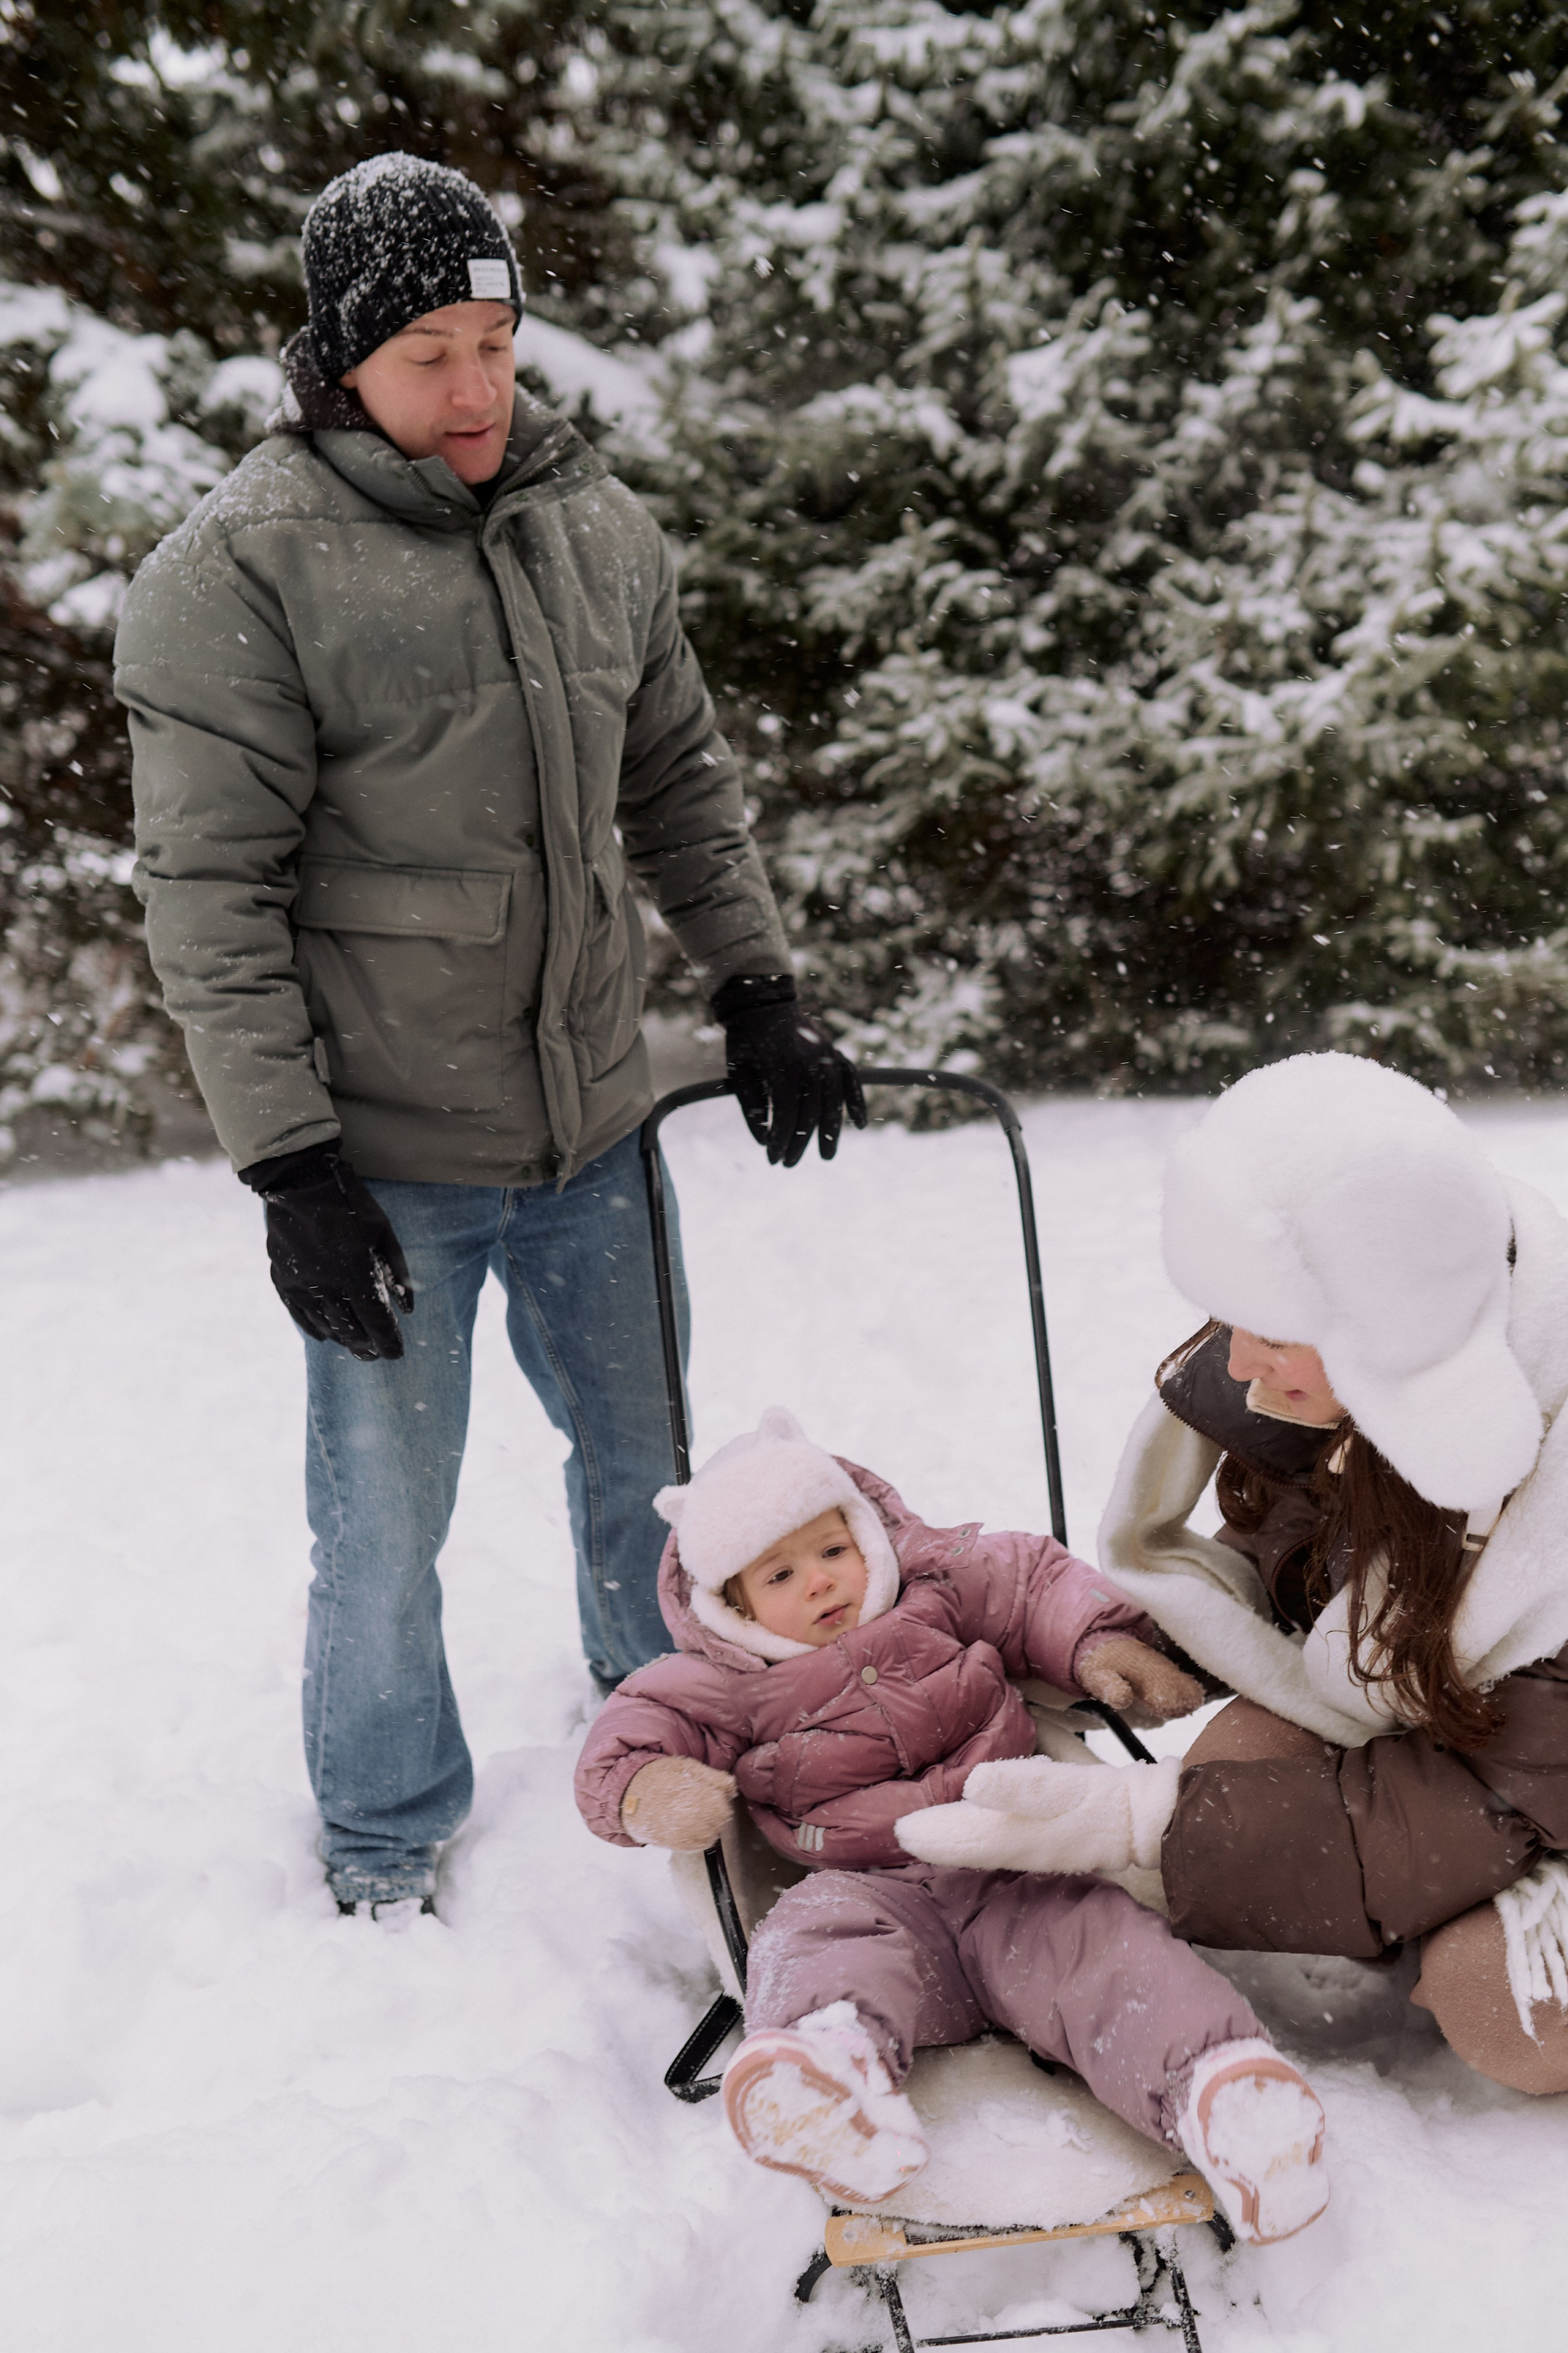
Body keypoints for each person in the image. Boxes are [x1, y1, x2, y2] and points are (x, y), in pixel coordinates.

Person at [113, 154, 864, 1916]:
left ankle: (669, 1744)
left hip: (594, 1121)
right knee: (383, 1530)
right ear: (340, 360)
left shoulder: (589, 521)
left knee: (654, 1482)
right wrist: (291, 1161)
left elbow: (676, 777)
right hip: (384, 1153)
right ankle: (385, 1846)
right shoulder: (238, 574)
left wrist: (756, 986)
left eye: (499, 342)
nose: (473, 389)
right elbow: (209, 893)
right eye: (430, 350)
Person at [906, 1052, 1568, 2095]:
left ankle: (1472, 1911)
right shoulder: (1399, 1363)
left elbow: (1505, 1786)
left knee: (1499, 2004)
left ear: (1381, 1337)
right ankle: (1403, 1888)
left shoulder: (1548, 1498)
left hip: (1538, 1774)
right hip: (1460, 1722)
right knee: (1237, 1764)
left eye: (1271, 1333)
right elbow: (1310, 1562)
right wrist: (1149, 1639)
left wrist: (1142, 1828)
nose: (1241, 1363)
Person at [575, 1409, 1330, 2246]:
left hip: (1014, 1860)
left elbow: (1035, 1583)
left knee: (1105, 1949)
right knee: (812, 1936)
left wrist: (1094, 1646)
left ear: (868, 1532)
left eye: (834, 1550)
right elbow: (631, 1733)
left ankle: (1223, 2096)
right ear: (732, 1602)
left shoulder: (937, 1584)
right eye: (781, 1575)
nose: (822, 1581)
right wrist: (647, 1786)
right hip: (869, 1890)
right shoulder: (719, 1679)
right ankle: (831, 2078)